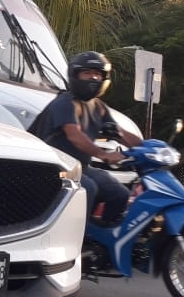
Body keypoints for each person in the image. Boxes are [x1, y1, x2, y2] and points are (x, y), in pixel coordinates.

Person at [37, 51, 142, 223]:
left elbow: (120, 134)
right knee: (88, 189)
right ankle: (78, 240)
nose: (93, 78)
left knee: (120, 194)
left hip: (81, 168)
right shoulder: (65, 103)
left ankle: (104, 243)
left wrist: (149, 149)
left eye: (98, 74)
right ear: (75, 75)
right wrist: (104, 154)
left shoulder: (98, 107)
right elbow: (75, 135)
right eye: (87, 73)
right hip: (54, 168)